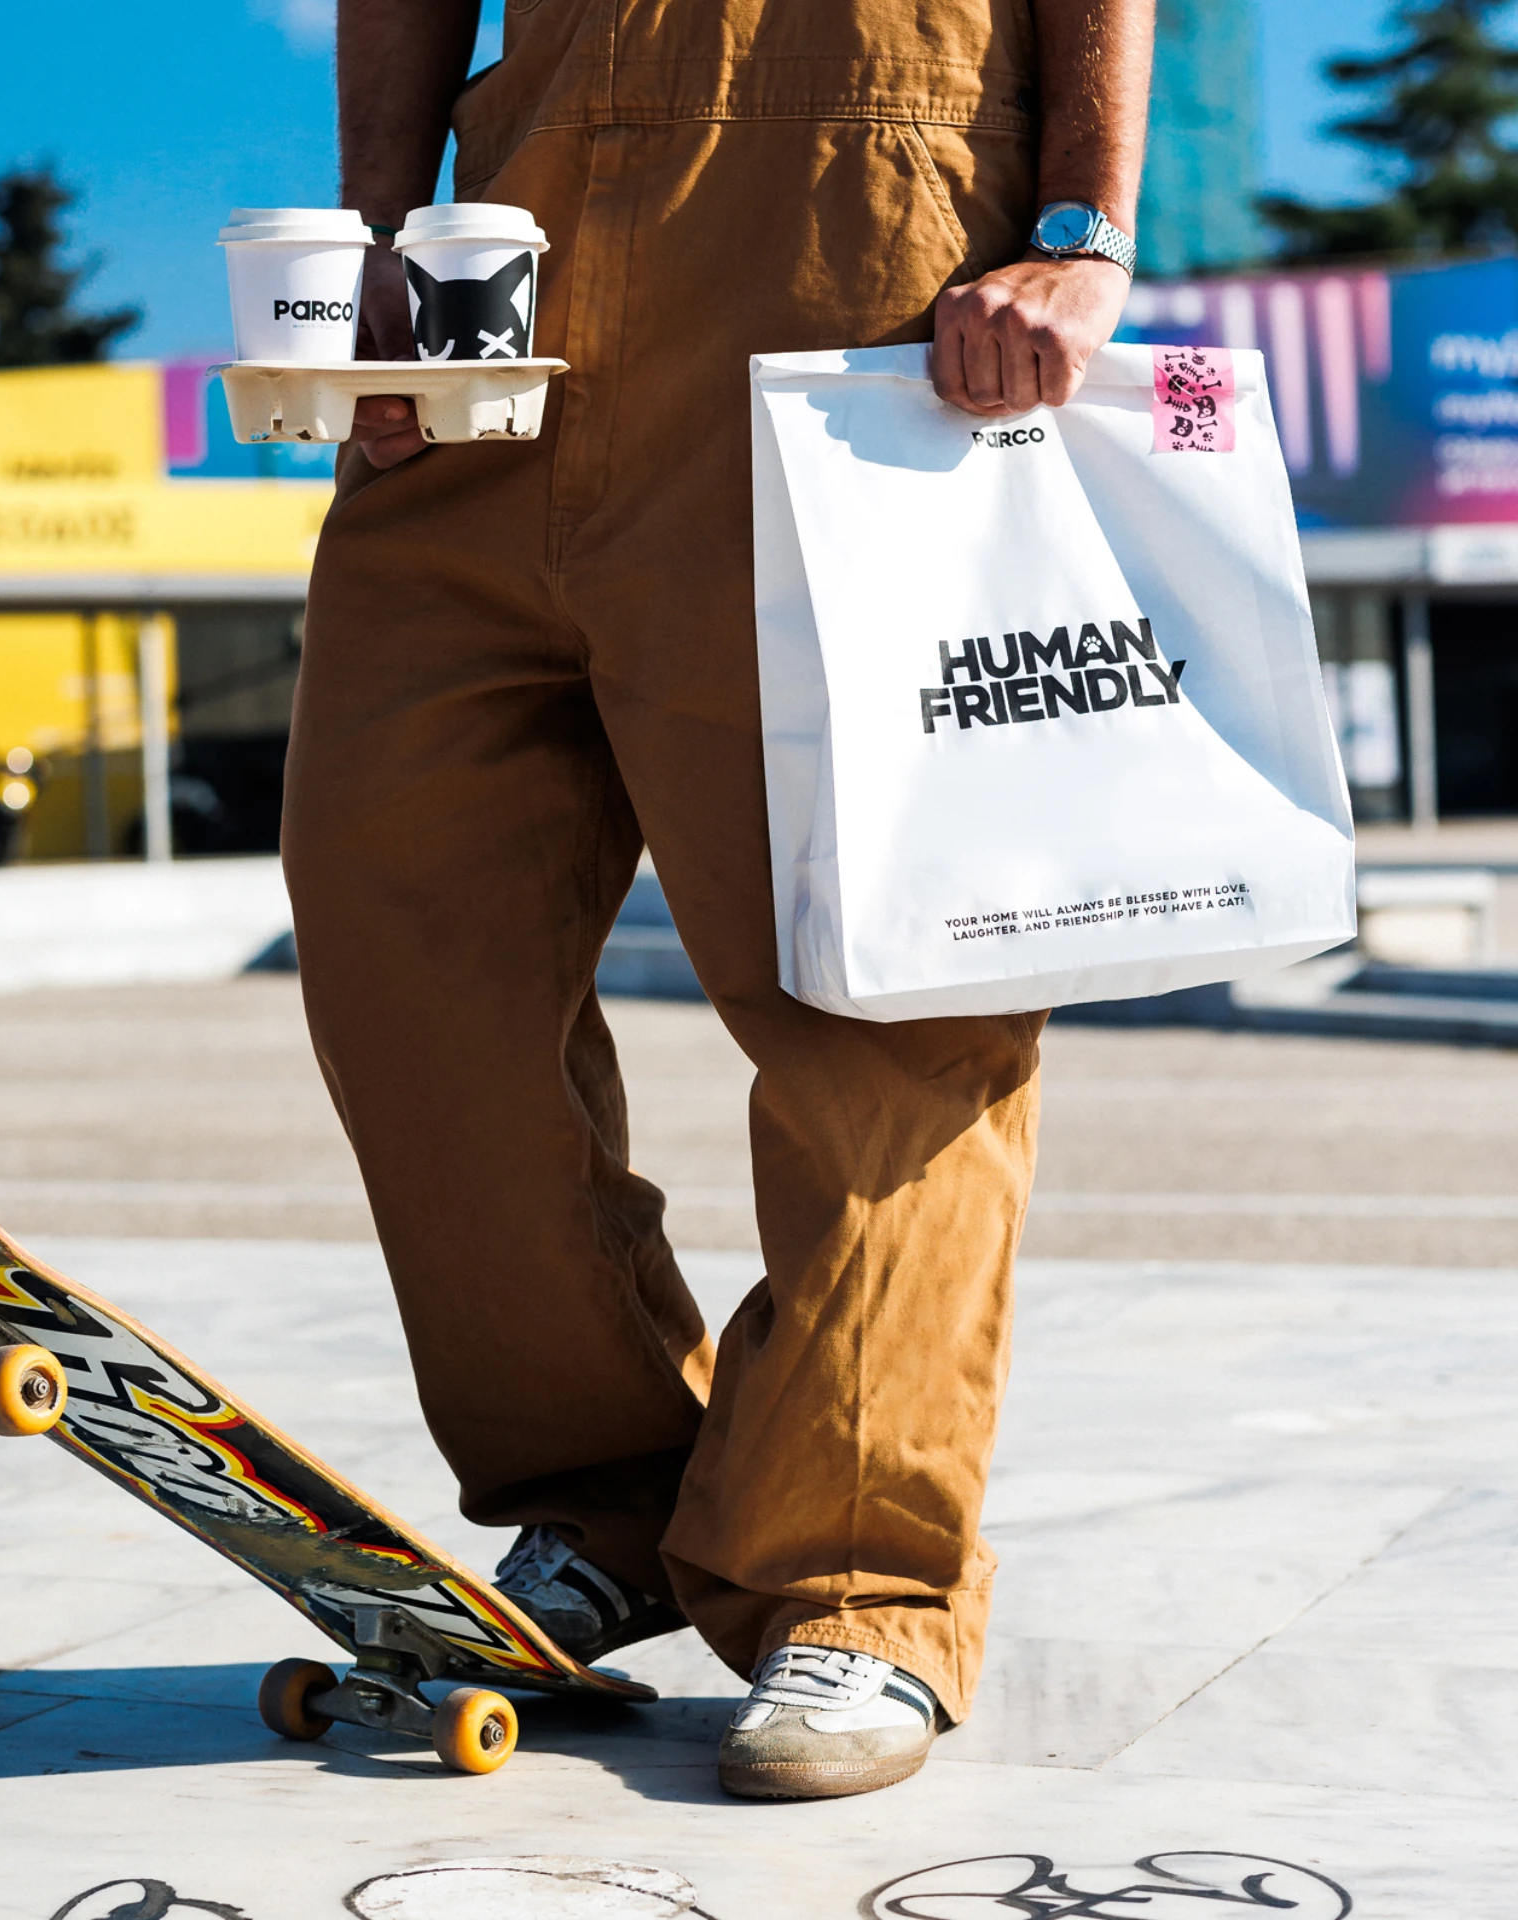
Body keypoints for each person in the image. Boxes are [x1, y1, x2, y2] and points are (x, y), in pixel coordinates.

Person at [283, 0, 1151, 1800]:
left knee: (889, 988)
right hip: (503, 271)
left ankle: (860, 1578)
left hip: (856, 257)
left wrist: (1080, 237)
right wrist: (372, 232)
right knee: (395, 908)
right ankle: (600, 1495)